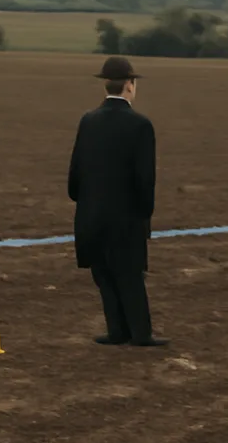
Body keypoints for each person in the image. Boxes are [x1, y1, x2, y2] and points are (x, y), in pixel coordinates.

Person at [67, 56, 168, 348]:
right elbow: (144, 178)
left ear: (104, 87)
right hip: (126, 217)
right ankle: (140, 333)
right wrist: (144, 213)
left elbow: (76, 171)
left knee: (104, 275)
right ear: (129, 85)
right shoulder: (140, 125)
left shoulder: (88, 121)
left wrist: (82, 200)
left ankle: (116, 330)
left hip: (91, 214)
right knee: (130, 275)